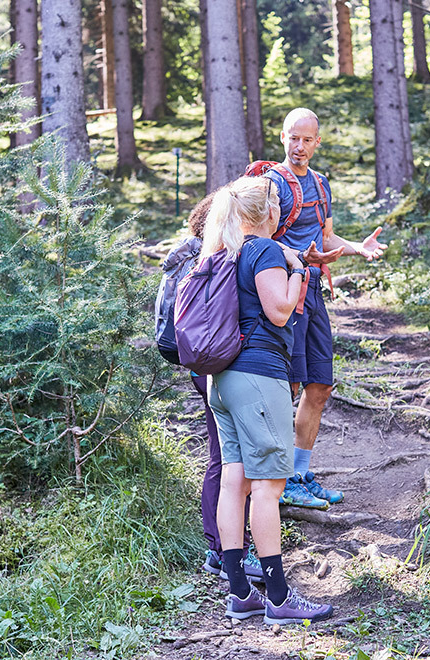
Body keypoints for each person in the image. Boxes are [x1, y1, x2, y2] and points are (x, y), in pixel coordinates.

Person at [205, 176, 333, 624]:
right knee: (268, 486)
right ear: (269, 214)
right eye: (277, 204)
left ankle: (241, 591)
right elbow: (280, 310)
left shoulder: (224, 248)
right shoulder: (262, 249)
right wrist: (299, 270)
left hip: (221, 379)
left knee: (234, 482)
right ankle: (278, 598)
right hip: (258, 376)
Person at [264, 108, 387, 509]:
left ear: (318, 142)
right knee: (290, 387)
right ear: (282, 138)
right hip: (284, 291)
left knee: (319, 386)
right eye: (293, 138)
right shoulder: (271, 185)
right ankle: (281, 484)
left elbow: (328, 236)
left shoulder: (321, 182)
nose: (299, 147)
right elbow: (257, 241)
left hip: (313, 291)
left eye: (307, 140)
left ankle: (301, 474)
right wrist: (302, 256)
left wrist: (357, 248)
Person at [162, 194, 264, 585]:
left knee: (221, 455)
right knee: (230, 458)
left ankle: (220, 548)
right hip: (223, 362)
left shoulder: (188, 254)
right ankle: (228, 551)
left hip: (199, 361)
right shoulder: (221, 257)